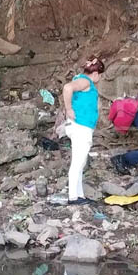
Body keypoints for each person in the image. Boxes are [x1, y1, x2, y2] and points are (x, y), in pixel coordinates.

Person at [61, 56, 104, 205]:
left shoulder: (81, 79)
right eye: (100, 75)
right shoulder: (85, 81)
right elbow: (67, 88)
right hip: (81, 126)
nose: (100, 78)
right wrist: (69, 109)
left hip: (81, 126)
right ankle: (73, 196)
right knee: (78, 162)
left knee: (80, 161)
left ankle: (79, 195)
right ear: (96, 73)